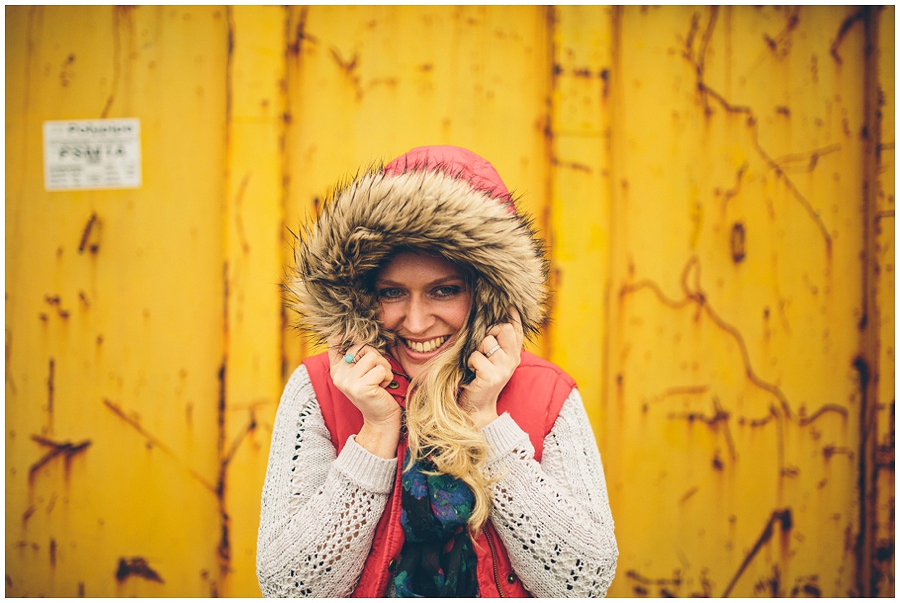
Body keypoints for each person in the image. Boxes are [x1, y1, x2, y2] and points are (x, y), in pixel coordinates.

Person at [256, 146, 618, 597]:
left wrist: (485, 419)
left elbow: (582, 584)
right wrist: (376, 430)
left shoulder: (545, 392)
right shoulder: (320, 389)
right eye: (392, 293)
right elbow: (289, 589)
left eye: (443, 291)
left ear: (486, 293)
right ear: (363, 295)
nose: (416, 321)